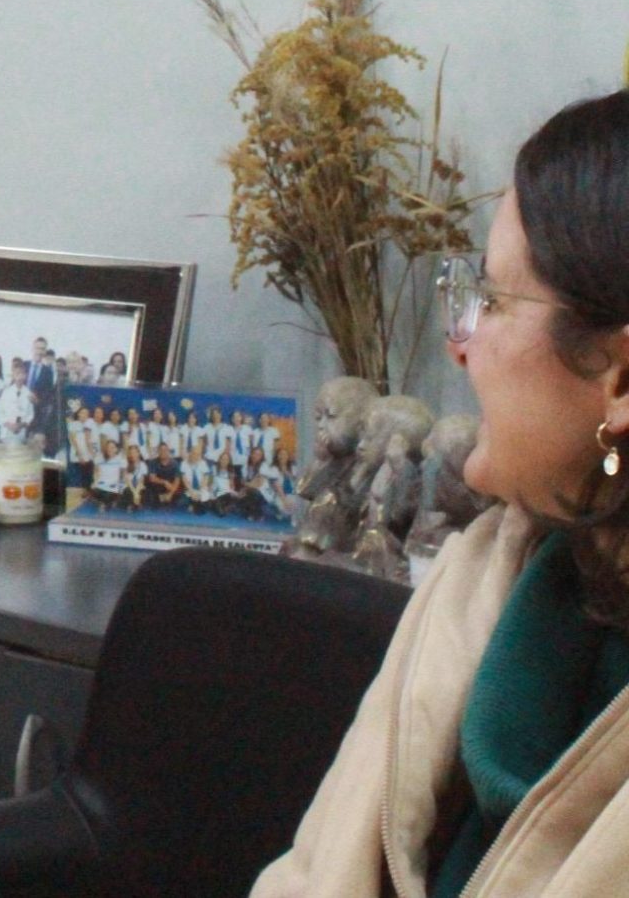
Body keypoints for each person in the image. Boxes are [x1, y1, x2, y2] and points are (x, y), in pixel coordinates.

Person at [254, 91, 629, 897]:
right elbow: (307, 876)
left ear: (621, 378)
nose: (458, 345)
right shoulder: (483, 574)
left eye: (491, 300)